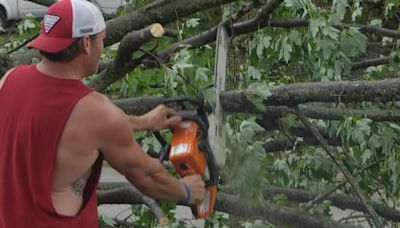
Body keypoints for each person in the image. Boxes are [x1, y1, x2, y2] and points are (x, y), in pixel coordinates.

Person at [0, 0, 205, 227]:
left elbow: (55, 124)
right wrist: (187, 191)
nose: (102, 47)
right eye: (102, 39)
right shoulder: (95, 111)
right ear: (86, 43)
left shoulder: (9, 80)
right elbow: (147, 176)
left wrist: (141, 123)